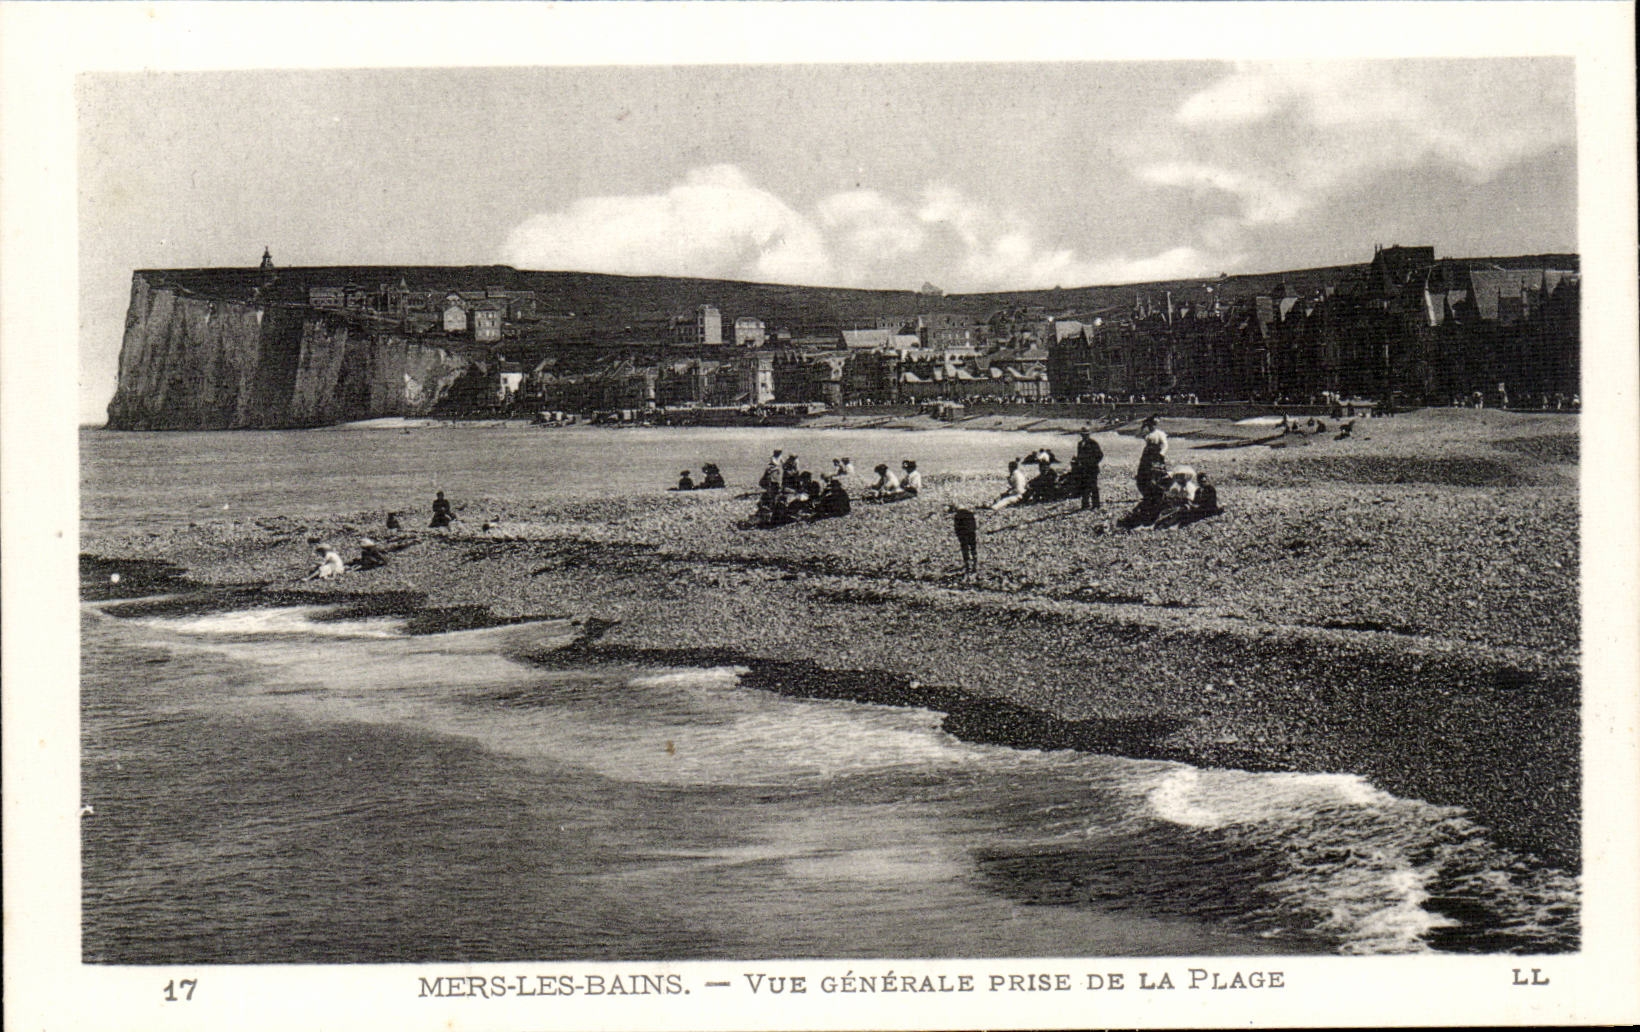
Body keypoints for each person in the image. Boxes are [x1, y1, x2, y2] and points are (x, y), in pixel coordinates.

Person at [1073, 427, 1103, 510]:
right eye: (1082, 434)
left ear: (1089, 435)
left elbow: (1100, 455)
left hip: (1092, 469)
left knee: (1093, 486)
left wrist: (1092, 462)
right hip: (1083, 469)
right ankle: (1085, 504)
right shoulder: (1079, 444)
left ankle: (1096, 505)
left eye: (1086, 434)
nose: (1084, 436)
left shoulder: (1093, 443)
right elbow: (1080, 456)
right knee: (1084, 486)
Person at [949, 504, 978, 573]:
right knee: (973, 548)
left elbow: (956, 527)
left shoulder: (957, 516)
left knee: (965, 549)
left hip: (963, 535)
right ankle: (975, 563)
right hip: (971, 533)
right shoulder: (970, 514)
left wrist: (958, 535)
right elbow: (974, 525)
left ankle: (967, 564)